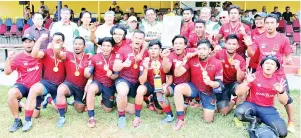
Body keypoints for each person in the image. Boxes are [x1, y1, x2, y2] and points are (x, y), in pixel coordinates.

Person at [245, 14, 295, 133]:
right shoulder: (259, 38)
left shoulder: (284, 38)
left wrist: (289, 58)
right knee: (253, 96)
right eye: (267, 23)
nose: (269, 25)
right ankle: (255, 118)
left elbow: (288, 53)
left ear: (277, 24)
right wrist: (248, 45)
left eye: (272, 23)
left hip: (278, 74)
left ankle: (291, 122)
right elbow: (251, 54)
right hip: (261, 73)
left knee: (286, 98)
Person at [172, 39, 223, 131]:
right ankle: (180, 119)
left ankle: (203, 103)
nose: (202, 52)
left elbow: (219, 84)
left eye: (204, 49)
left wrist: (210, 82)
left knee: (208, 120)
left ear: (210, 50)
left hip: (208, 91)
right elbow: (177, 74)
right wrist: (184, 60)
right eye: (199, 49)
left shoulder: (217, 63)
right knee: (178, 88)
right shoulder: (192, 59)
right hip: (194, 87)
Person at [21, 32, 66, 132]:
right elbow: (34, 54)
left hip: (59, 87)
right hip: (46, 83)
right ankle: (28, 121)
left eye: (59, 40)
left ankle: (49, 100)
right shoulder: (46, 52)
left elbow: (63, 56)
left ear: (63, 42)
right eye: (55, 40)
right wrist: (40, 40)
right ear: (52, 42)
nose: (57, 42)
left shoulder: (66, 53)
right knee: (33, 90)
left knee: (63, 109)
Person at [235, 56, 288, 138]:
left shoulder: (279, 80)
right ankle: (254, 120)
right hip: (252, 104)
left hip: (268, 108)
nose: (269, 66)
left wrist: (281, 91)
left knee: (282, 133)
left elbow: (284, 102)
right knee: (239, 112)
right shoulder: (254, 76)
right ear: (262, 65)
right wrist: (246, 82)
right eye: (267, 63)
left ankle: (260, 127)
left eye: (272, 64)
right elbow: (238, 92)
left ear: (276, 68)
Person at [4, 34, 42, 132]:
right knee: (11, 93)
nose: (28, 44)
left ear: (34, 43)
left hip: (36, 88)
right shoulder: (18, 57)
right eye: (25, 42)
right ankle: (17, 120)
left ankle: (21, 104)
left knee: (35, 115)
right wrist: (8, 59)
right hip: (23, 85)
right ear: (23, 44)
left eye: (30, 42)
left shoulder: (40, 55)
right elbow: (7, 72)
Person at [132, 40, 174, 127]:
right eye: (151, 48)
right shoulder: (145, 61)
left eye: (156, 48)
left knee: (160, 111)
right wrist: (146, 68)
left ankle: (169, 115)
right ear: (148, 50)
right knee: (140, 89)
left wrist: (166, 85)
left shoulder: (165, 60)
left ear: (160, 50)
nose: (153, 50)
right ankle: (137, 117)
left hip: (160, 85)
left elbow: (170, 77)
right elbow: (142, 81)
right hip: (149, 84)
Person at [113, 30, 148, 128]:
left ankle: (119, 100)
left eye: (140, 38)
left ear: (143, 40)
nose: (138, 40)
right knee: (123, 92)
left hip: (136, 82)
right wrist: (124, 64)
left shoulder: (145, 52)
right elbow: (115, 67)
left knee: (132, 111)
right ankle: (121, 117)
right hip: (124, 79)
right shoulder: (123, 49)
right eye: (136, 38)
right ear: (132, 38)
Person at [55, 36, 90, 128]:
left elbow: (92, 73)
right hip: (69, 84)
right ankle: (62, 116)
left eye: (80, 44)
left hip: (81, 88)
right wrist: (58, 44)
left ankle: (74, 102)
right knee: (61, 89)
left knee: (80, 109)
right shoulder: (67, 54)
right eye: (75, 44)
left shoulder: (89, 57)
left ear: (84, 46)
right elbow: (58, 54)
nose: (77, 46)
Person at [84, 37, 118, 128]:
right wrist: (88, 73)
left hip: (109, 85)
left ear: (112, 48)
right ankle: (91, 116)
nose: (105, 48)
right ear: (100, 46)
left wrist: (111, 75)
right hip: (98, 83)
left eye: (108, 46)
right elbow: (90, 70)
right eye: (103, 45)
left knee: (108, 110)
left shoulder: (116, 57)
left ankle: (106, 101)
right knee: (91, 89)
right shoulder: (95, 57)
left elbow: (117, 75)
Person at [162, 35, 198, 110]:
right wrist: (165, 57)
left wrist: (194, 53)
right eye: (176, 43)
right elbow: (166, 70)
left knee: (183, 108)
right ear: (173, 45)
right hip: (174, 84)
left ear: (185, 45)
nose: (178, 45)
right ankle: (168, 113)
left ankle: (187, 99)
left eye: (180, 43)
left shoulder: (190, 51)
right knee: (161, 92)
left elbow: (203, 50)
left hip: (188, 84)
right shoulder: (171, 54)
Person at [214, 34, 246, 116]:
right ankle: (230, 102)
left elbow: (240, 80)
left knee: (243, 90)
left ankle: (237, 110)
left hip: (233, 84)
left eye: (234, 44)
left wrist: (238, 68)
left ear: (237, 46)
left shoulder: (240, 59)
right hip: (221, 84)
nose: (231, 46)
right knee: (222, 112)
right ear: (225, 44)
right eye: (229, 44)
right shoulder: (219, 54)